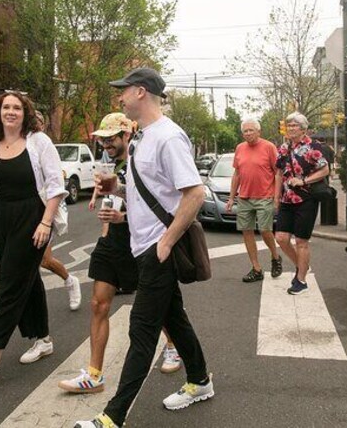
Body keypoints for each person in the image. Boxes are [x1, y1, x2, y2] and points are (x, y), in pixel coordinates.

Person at [75, 68, 212, 428]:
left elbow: (194, 193)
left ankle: (112, 417)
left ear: (140, 92)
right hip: (142, 246)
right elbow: (148, 192)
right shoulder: (140, 139)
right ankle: (200, 381)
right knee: (175, 320)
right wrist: (116, 192)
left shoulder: (169, 137)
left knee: (142, 330)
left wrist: (165, 243)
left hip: (157, 250)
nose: (119, 98)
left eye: (123, 92)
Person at [59, 112, 181, 395]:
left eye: (111, 139)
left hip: (143, 241)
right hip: (113, 242)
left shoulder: (142, 163)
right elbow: (114, 199)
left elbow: (155, 207)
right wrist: (107, 227)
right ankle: (94, 375)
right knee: (98, 305)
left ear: (127, 135)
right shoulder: (111, 164)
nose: (106, 145)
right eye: (102, 141)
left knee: (160, 307)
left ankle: (173, 346)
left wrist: (121, 217)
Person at [0, 92, 67, 385]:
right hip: (3, 218)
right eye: (6, 107)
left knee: (9, 285)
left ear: (25, 112)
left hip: (32, 216)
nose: (11, 112)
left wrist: (46, 223)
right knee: (27, 281)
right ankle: (43, 340)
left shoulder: (39, 142)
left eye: (17, 108)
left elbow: (57, 186)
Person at [274, 112, 330, 295]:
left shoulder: (313, 147)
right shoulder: (284, 147)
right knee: (281, 238)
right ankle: (302, 265)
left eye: (294, 126)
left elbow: (325, 170)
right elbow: (279, 173)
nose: (290, 128)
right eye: (288, 125)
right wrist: (276, 197)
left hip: (307, 199)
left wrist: (304, 181)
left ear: (303, 129)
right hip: (287, 199)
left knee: (301, 241)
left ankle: (301, 280)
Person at [32, 110, 83, 311]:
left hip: (44, 209)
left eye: (38, 121)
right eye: (31, 121)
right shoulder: (19, 144)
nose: (34, 124)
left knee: (44, 260)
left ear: (43, 125)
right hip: (22, 212)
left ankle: (70, 280)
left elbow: (55, 180)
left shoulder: (44, 145)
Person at [225, 118, 283, 283]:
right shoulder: (240, 148)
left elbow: (277, 173)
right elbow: (237, 174)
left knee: (265, 230)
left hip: (265, 196)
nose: (248, 133)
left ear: (259, 131)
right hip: (244, 197)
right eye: (245, 131)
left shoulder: (269, 147)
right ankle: (256, 268)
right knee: (247, 231)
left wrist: (276, 197)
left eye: (251, 130)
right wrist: (231, 197)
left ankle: (275, 257)